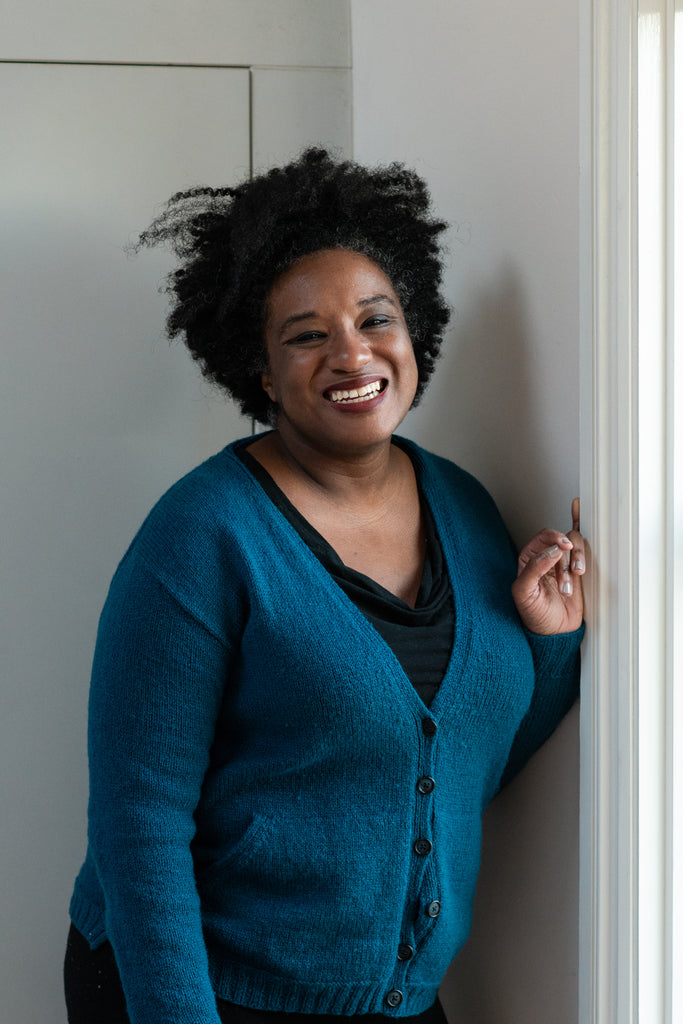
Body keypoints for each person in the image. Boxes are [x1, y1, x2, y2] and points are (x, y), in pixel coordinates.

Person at [64, 148, 585, 1024]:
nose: (352, 354)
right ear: (261, 371)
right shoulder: (203, 536)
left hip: (391, 999)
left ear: (413, 333)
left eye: (375, 319)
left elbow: (469, 760)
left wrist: (551, 639)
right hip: (199, 988)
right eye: (307, 335)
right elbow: (138, 821)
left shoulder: (463, 506)